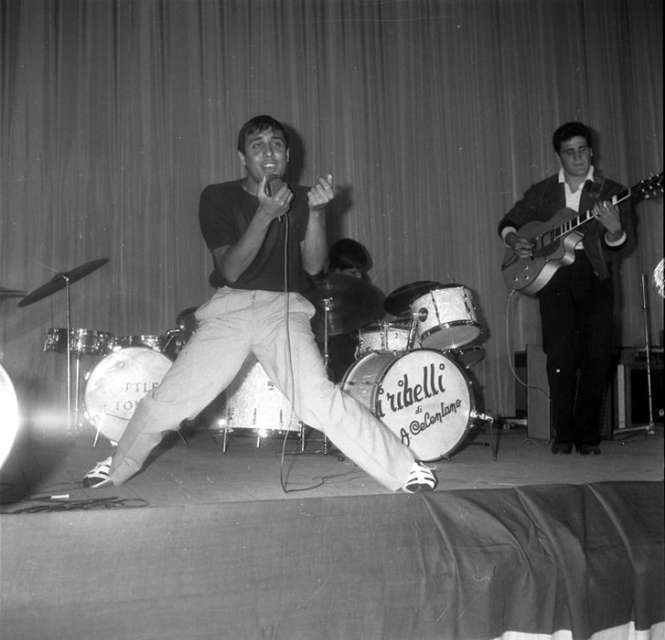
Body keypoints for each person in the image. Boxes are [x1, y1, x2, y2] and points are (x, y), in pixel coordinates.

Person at [83, 115, 436, 493]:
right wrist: (265, 215)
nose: (269, 152)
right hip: (230, 309)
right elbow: (231, 268)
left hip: (284, 311)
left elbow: (314, 266)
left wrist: (317, 213)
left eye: (276, 144)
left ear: (288, 155)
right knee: (170, 400)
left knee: (318, 398)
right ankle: (116, 465)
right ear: (243, 158)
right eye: (257, 146)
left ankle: (404, 469)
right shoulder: (217, 196)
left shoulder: (304, 200)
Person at [498, 121, 631, 456]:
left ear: (592, 152)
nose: (578, 157)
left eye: (583, 150)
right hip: (554, 277)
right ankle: (562, 434)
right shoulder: (543, 192)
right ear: (559, 156)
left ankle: (587, 436)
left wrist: (615, 229)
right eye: (570, 152)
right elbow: (509, 222)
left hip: (595, 274)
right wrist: (515, 241)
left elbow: (620, 245)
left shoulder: (611, 190)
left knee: (597, 355)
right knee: (559, 355)